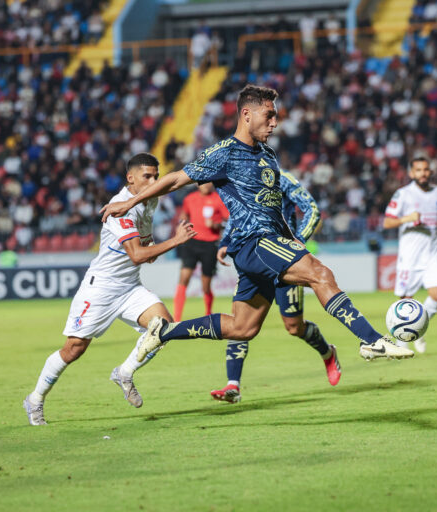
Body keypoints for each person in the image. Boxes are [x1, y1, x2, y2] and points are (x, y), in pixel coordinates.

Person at [101, 85, 412, 368]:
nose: (275, 123)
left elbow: (273, 207)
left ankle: (164, 332)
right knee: (321, 274)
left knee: (242, 328)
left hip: (268, 242)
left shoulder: (268, 154)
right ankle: (372, 340)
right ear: (246, 114)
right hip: (255, 241)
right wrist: (130, 202)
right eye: (269, 115)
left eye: (276, 116)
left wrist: (292, 240)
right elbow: (176, 179)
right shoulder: (224, 153)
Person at [23, 153, 196, 426]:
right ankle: (35, 399)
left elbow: (147, 255)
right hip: (100, 288)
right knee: (74, 349)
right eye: (147, 176)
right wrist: (176, 240)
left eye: (155, 176)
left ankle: (124, 372)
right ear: (131, 178)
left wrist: (166, 241)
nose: (153, 181)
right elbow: (138, 255)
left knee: (163, 328)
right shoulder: (120, 207)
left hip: (129, 287)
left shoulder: (149, 201)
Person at [210, 169, 339, 403]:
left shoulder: (282, 178)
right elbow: (238, 215)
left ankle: (327, 353)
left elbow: (312, 209)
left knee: (293, 327)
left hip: (283, 260)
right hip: (254, 257)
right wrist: (226, 241)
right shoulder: (243, 177)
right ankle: (233, 385)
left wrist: (298, 239)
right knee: (240, 321)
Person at [382, 157, 437, 354]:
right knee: (406, 301)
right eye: (418, 170)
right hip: (410, 256)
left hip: (433, 252)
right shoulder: (403, 195)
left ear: (431, 172)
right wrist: (407, 218)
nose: (423, 173)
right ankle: (402, 346)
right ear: (411, 174)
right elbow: (387, 223)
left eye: (426, 170)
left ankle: (417, 329)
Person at [174, 183, 229, 322]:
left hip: (210, 245)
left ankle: (208, 313)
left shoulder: (218, 199)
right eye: (203, 182)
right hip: (191, 242)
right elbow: (184, 214)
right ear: (198, 184)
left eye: (209, 182)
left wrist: (217, 225)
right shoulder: (190, 198)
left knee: (206, 285)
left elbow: (228, 220)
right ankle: (176, 319)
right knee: (183, 278)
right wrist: (182, 222)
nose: (206, 185)